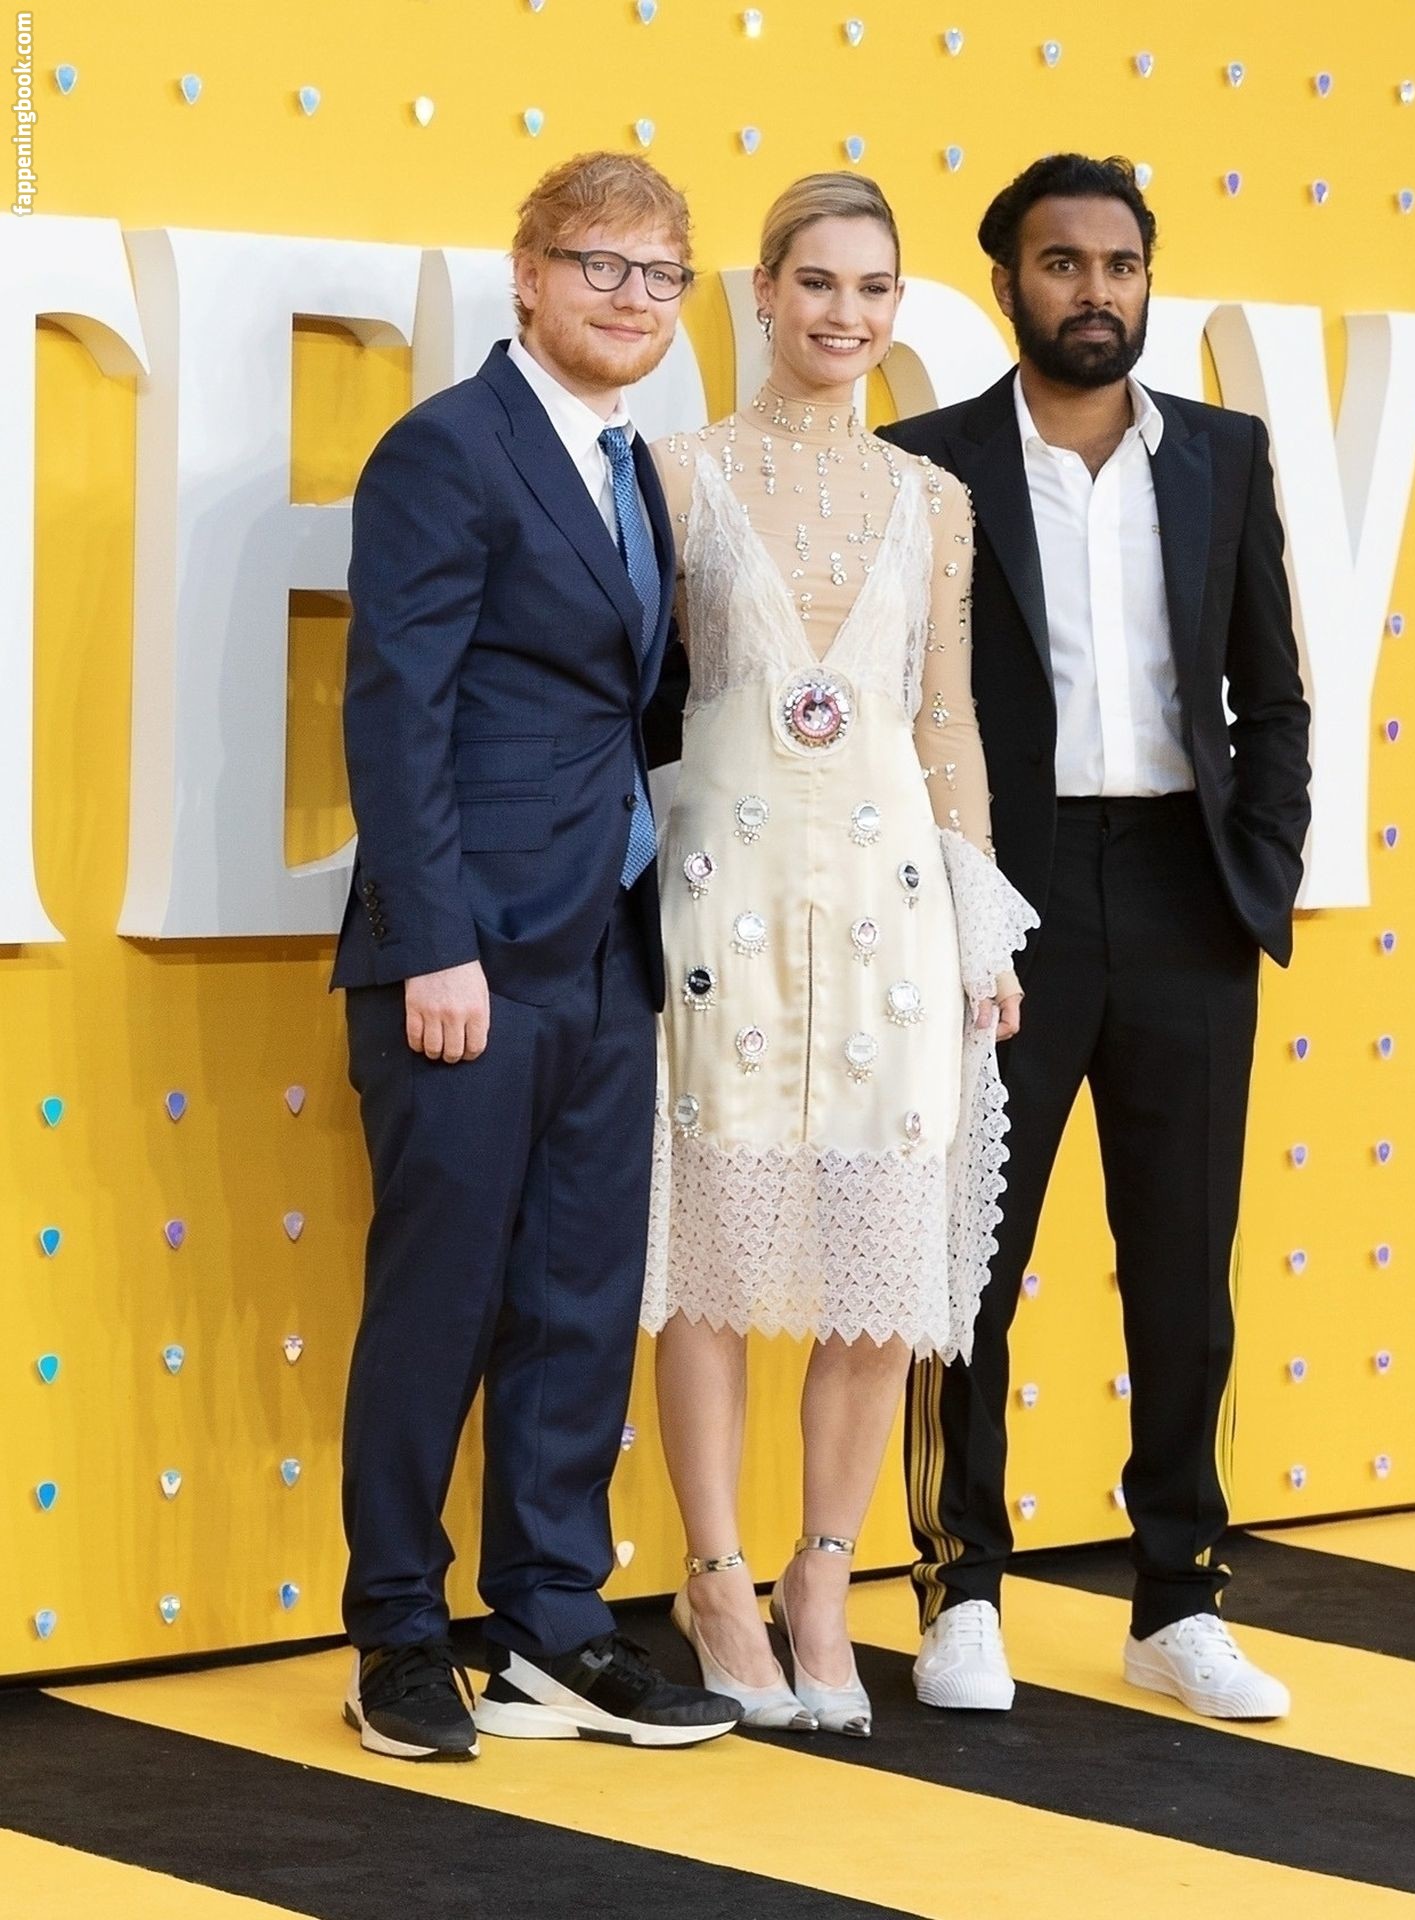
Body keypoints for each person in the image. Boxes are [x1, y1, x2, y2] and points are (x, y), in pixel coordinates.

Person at [881, 154, 1312, 1721]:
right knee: (969, 1265)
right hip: (1008, 892)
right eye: (1063, 263)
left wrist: (1257, 864)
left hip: (1188, 893)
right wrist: (942, 896)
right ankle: (961, 1588)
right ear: (1008, 282)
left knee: (1185, 1270)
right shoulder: (927, 464)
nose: (1095, 290)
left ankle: (1179, 1599)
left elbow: (1272, 691)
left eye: (1119, 264)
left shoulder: (1220, 453)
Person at [332, 151, 738, 1760]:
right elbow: (397, 710)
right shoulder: (447, 449)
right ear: (526, 273)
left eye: (661, 275)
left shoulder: (635, 469)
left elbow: (626, 711)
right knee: (438, 1301)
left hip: (607, 949)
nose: (632, 299)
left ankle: (553, 1627)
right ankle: (396, 1636)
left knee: (579, 1300)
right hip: (467, 961)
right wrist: (432, 946)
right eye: (599, 266)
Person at [643, 174, 1036, 1739]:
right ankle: (716, 1579)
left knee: (880, 1264)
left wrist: (980, 916)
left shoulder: (932, 500)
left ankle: (825, 1576)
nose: (845, 315)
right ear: (762, 292)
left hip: (891, 907)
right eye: (817, 283)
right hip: (720, 900)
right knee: (707, 1256)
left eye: (874, 289)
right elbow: (638, 694)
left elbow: (946, 719)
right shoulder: (678, 474)